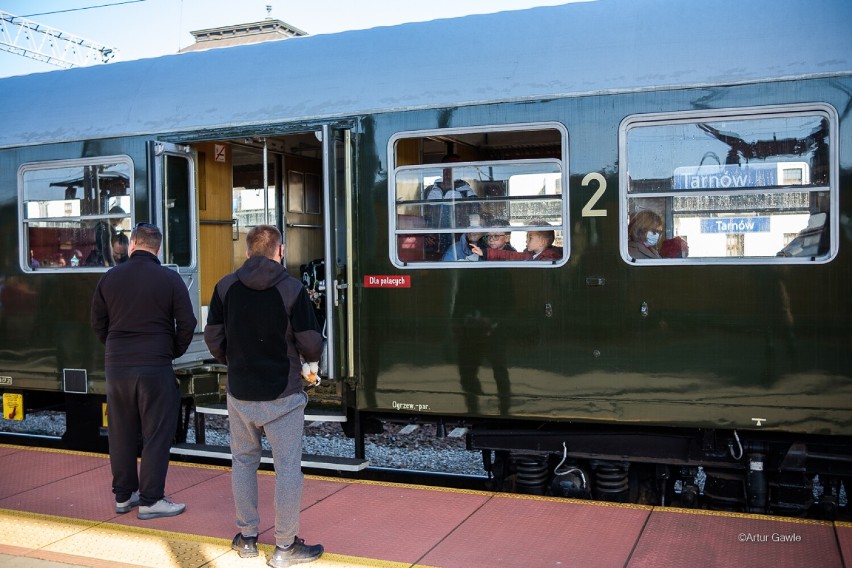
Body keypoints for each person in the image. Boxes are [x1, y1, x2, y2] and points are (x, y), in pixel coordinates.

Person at [204, 224, 324, 567]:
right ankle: (285, 548)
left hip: (240, 393)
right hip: (282, 396)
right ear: (280, 251)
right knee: (287, 469)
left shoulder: (225, 286)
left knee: (243, 462)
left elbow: (214, 338)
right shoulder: (291, 288)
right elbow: (312, 343)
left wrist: (235, 360)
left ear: (247, 252)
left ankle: (247, 539)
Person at [90, 223, 196, 520]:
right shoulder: (170, 279)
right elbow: (187, 323)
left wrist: (116, 349)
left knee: (121, 432)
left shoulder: (110, 278)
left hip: (117, 367)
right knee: (156, 433)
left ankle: (124, 497)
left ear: (133, 244)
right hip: (155, 366)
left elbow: (98, 323)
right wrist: (172, 350)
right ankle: (151, 500)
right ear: (158, 248)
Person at [471, 227, 562, 261]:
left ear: (542, 243)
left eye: (530, 238)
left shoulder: (548, 259)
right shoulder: (530, 254)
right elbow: (510, 255)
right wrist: (485, 252)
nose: (526, 241)